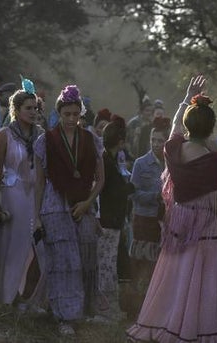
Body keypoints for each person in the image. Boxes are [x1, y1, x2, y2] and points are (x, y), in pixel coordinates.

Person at [128, 76, 217, 343]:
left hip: (180, 223)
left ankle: (170, 324)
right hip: (207, 228)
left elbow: (174, 127)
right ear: (210, 128)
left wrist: (187, 98)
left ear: (187, 125)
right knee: (202, 283)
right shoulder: (215, 160)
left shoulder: (173, 151)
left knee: (177, 278)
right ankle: (198, 329)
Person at [34, 84, 106, 337]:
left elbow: (101, 179)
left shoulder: (91, 139)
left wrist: (88, 203)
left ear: (81, 114)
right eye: (67, 114)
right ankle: (63, 315)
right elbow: (40, 182)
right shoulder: (46, 140)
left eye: (76, 115)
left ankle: (85, 310)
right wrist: (36, 218)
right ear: (59, 114)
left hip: (83, 203)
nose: (72, 119)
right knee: (64, 261)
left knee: (86, 256)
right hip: (55, 205)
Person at [0, 87, 45, 309]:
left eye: (35, 108)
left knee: (32, 246)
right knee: (11, 246)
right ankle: (6, 295)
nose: (33, 112)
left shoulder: (40, 134)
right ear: (16, 109)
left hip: (34, 194)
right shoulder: (4, 134)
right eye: (28, 108)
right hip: (11, 194)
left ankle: (26, 292)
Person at [129, 117, 169, 315]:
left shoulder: (171, 164)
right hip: (144, 218)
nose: (156, 144)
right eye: (153, 140)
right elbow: (133, 193)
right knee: (140, 263)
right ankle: (133, 306)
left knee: (157, 265)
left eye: (160, 140)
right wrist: (155, 197)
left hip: (164, 221)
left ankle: (153, 305)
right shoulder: (141, 163)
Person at [97, 115, 134, 319]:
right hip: (109, 221)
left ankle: (108, 307)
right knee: (106, 265)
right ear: (120, 142)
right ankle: (105, 308)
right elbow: (114, 191)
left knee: (109, 263)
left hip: (112, 220)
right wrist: (131, 186)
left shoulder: (109, 160)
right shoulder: (107, 163)